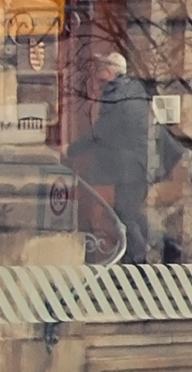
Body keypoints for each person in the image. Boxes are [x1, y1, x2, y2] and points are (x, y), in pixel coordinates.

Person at [68, 53, 175, 259]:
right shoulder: (132, 89)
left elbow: (102, 131)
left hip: (129, 168)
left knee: (125, 214)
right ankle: (164, 244)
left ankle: (138, 261)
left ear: (108, 71)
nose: (97, 76)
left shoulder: (116, 92)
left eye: (100, 70)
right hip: (138, 165)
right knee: (130, 212)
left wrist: (71, 150)